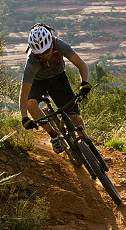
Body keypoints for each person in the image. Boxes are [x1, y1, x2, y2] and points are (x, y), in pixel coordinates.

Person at [19, 24, 91, 153]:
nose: (44, 56)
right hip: (38, 81)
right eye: (40, 54)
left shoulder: (59, 45)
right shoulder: (31, 61)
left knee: (75, 118)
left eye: (46, 51)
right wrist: (24, 117)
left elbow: (81, 64)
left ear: (51, 45)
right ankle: (54, 136)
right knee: (31, 103)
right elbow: (24, 93)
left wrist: (84, 82)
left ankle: (86, 143)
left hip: (58, 78)